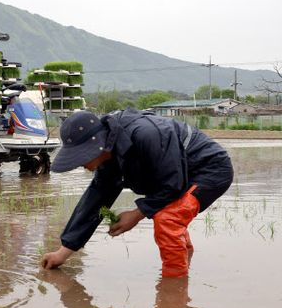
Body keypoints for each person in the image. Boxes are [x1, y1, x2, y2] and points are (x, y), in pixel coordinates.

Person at [41, 108, 233, 277]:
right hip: (177, 173)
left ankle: (174, 288)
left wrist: (137, 214)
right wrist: (62, 253)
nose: (81, 164)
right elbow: (95, 201)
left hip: (209, 170)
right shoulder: (110, 150)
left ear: (95, 146)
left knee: (167, 217)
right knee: (167, 213)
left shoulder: (146, 135)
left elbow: (172, 184)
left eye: (80, 157)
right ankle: (183, 258)